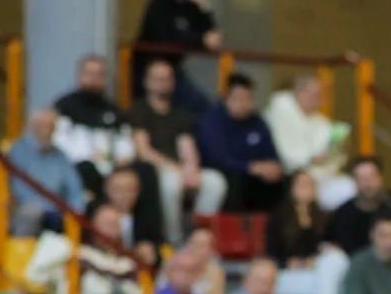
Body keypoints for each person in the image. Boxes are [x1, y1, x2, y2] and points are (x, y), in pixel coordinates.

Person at [128, 59, 226, 242]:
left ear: (173, 82)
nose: (161, 83)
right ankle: (174, 240)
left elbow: (187, 145)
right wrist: (176, 169)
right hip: (154, 169)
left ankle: (199, 237)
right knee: (171, 182)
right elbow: (144, 151)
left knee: (215, 181)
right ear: (146, 81)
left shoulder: (180, 113)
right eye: (156, 78)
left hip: (179, 169)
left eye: (166, 78)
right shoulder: (138, 110)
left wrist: (191, 169)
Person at [133, 0, 221, 108]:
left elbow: (211, 35)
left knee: (204, 107)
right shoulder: (160, 1)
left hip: (173, 69)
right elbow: (165, 35)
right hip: (148, 67)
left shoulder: (191, 6)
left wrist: (205, 7)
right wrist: (200, 39)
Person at [265, 170, 346, 294]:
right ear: (291, 188)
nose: (306, 189)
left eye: (310, 185)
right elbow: (271, 253)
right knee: (326, 286)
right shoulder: (278, 217)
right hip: (289, 274)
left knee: (336, 258)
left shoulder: (325, 217)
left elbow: (330, 248)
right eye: (302, 185)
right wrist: (289, 263)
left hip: (317, 273)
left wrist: (316, 258)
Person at [197, 74, 286, 214]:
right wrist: (250, 167)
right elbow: (217, 158)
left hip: (253, 175)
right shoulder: (212, 120)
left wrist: (274, 167)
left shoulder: (257, 121)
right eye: (238, 98)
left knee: (282, 180)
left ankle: (275, 226)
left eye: (248, 98)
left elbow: (270, 152)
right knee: (235, 180)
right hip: (225, 173)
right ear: (226, 98)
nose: (243, 103)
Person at [52, 55, 138, 198]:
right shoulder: (65, 106)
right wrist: (89, 157)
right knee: (85, 169)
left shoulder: (113, 110)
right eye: (89, 74)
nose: (94, 79)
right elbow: (58, 143)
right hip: (77, 166)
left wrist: (120, 159)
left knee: (141, 172)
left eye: (99, 74)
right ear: (80, 76)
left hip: (111, 167)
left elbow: (125, 142)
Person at [267, 73, 355, 209]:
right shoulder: (281, 113)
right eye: (315, 95)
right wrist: (313, 159)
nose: (320, 101)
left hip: (322, 178)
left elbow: (332, 154)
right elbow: (288, 156)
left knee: (350, 187)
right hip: (292, 179)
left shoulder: (319, 120)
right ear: (299, 93)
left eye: (321, 96)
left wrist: (339, 146)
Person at [5, 106, 88, 235]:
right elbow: (19, 190)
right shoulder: (17, 152)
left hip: (57, 213)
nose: (47, 130)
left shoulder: (60, 156)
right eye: (42, 126)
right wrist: (50, 207)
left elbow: (75, 188)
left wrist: (76, 210)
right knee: (30, 212)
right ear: (33, 126)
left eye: (51, 126)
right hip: (26, 209)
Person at [327, 157, 391, 258]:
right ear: (354, 182)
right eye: (361, 178)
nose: (367, 184)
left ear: (381, 179)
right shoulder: (342, 215)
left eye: (372, 177)